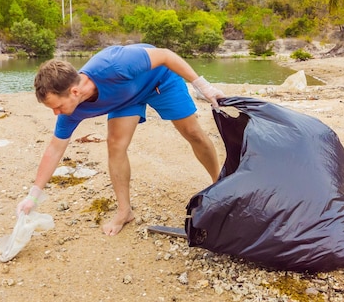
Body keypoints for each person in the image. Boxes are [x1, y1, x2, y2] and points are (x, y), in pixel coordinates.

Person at [17, 43, 224, 236]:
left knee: (193, 133)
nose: (56, 113)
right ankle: (125, 211)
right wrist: (32, 197)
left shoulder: (113, 64)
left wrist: (203, 86)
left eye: (57, 106)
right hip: (126, 97)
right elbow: (54, 149)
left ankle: (220, 187)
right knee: (115, 144)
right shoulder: (70, 112)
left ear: (74, 91)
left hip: (159, 80)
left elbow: (165, 55)